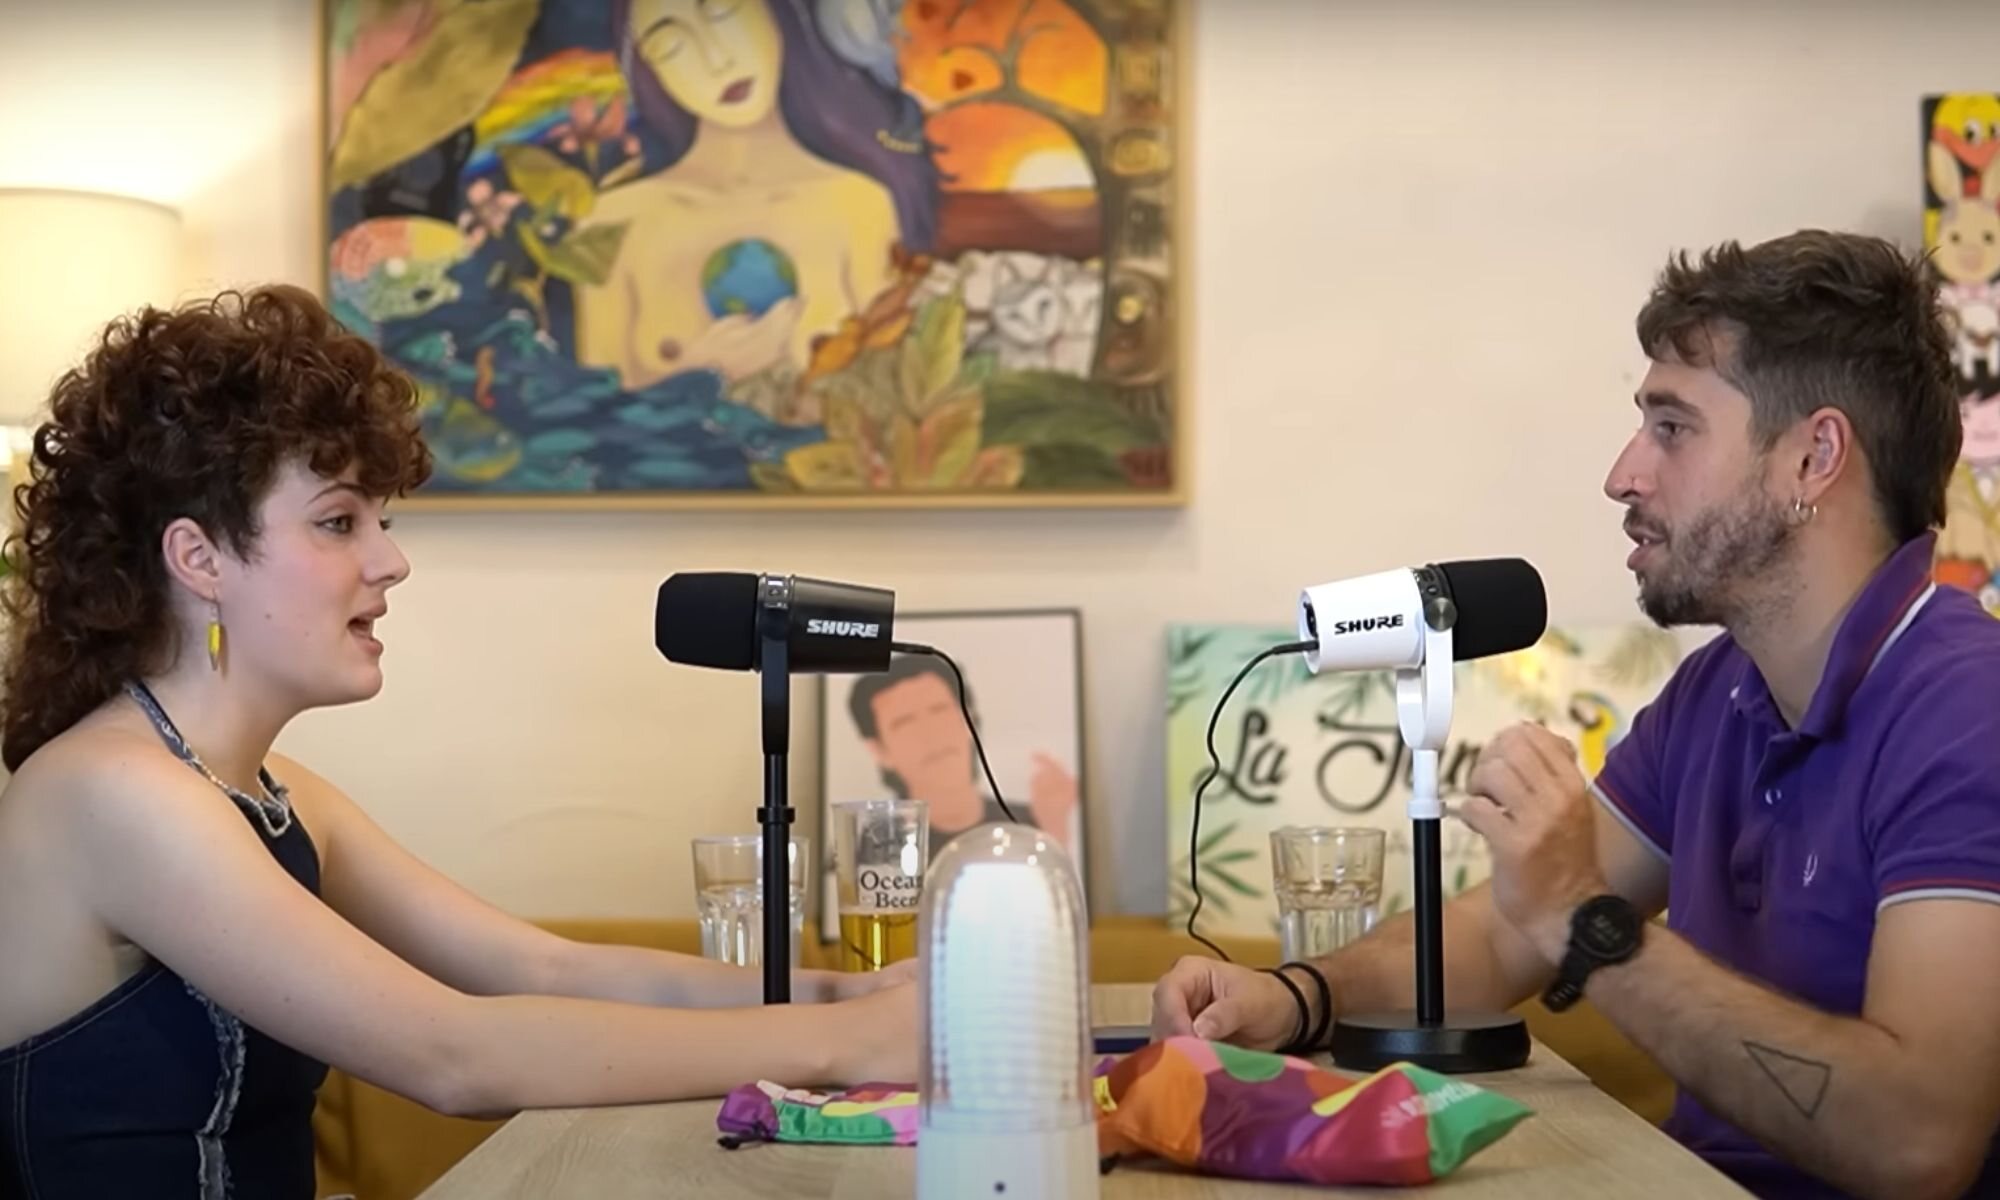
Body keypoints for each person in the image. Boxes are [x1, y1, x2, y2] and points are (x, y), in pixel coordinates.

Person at [0, 286, 915, 1198]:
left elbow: (544, 969)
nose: (391, 562)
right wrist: (844, 1042)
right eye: (338, 522)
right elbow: (452, 1055)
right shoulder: (112, 791)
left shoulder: (277, 795)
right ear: (198, 558)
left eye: (381, 523)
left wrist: (855, 996)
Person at [1151, 231, 2000, 1200]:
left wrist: (1588, 925)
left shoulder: (1968, 710)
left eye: (1672, 428)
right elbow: (1499, 936)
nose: (1623, 474)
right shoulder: (1718, 691)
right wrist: (1294, 996)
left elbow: (1916, 1141)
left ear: (1813, 456)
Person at [575, 0, 941, 388]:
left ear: (775, 12)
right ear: (651, 74)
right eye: (671, 48)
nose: (716, 59)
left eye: (724, 14)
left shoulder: (860, 204)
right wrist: (699, 383)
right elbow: (589, 411)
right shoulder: (614, 223)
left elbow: (889, 400)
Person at [846, 654, 1079, 853]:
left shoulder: (1030, 827)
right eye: (904, 723)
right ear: (879, 751)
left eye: (939, 710)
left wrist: (1054, 825)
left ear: (970, 720)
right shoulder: (875, 850)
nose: (931, 733)